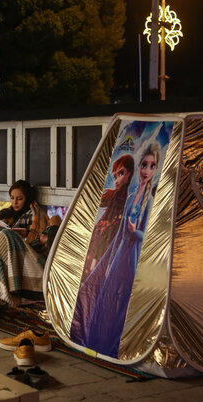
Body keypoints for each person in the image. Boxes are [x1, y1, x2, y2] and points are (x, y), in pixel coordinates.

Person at [71, 143, 160, 358]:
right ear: (138, 167)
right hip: (117, 251)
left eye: (152, 166)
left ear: (156, 169)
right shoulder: (131, 197)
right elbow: (118, 231)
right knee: (102, 296)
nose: (146, 170)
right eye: (144, 165)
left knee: (119, 302)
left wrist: (132, 233)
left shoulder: (151, 200)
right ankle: (95, 340)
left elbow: (146, 235)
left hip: (130, 256)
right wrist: (108, 255)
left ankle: (116, 345)